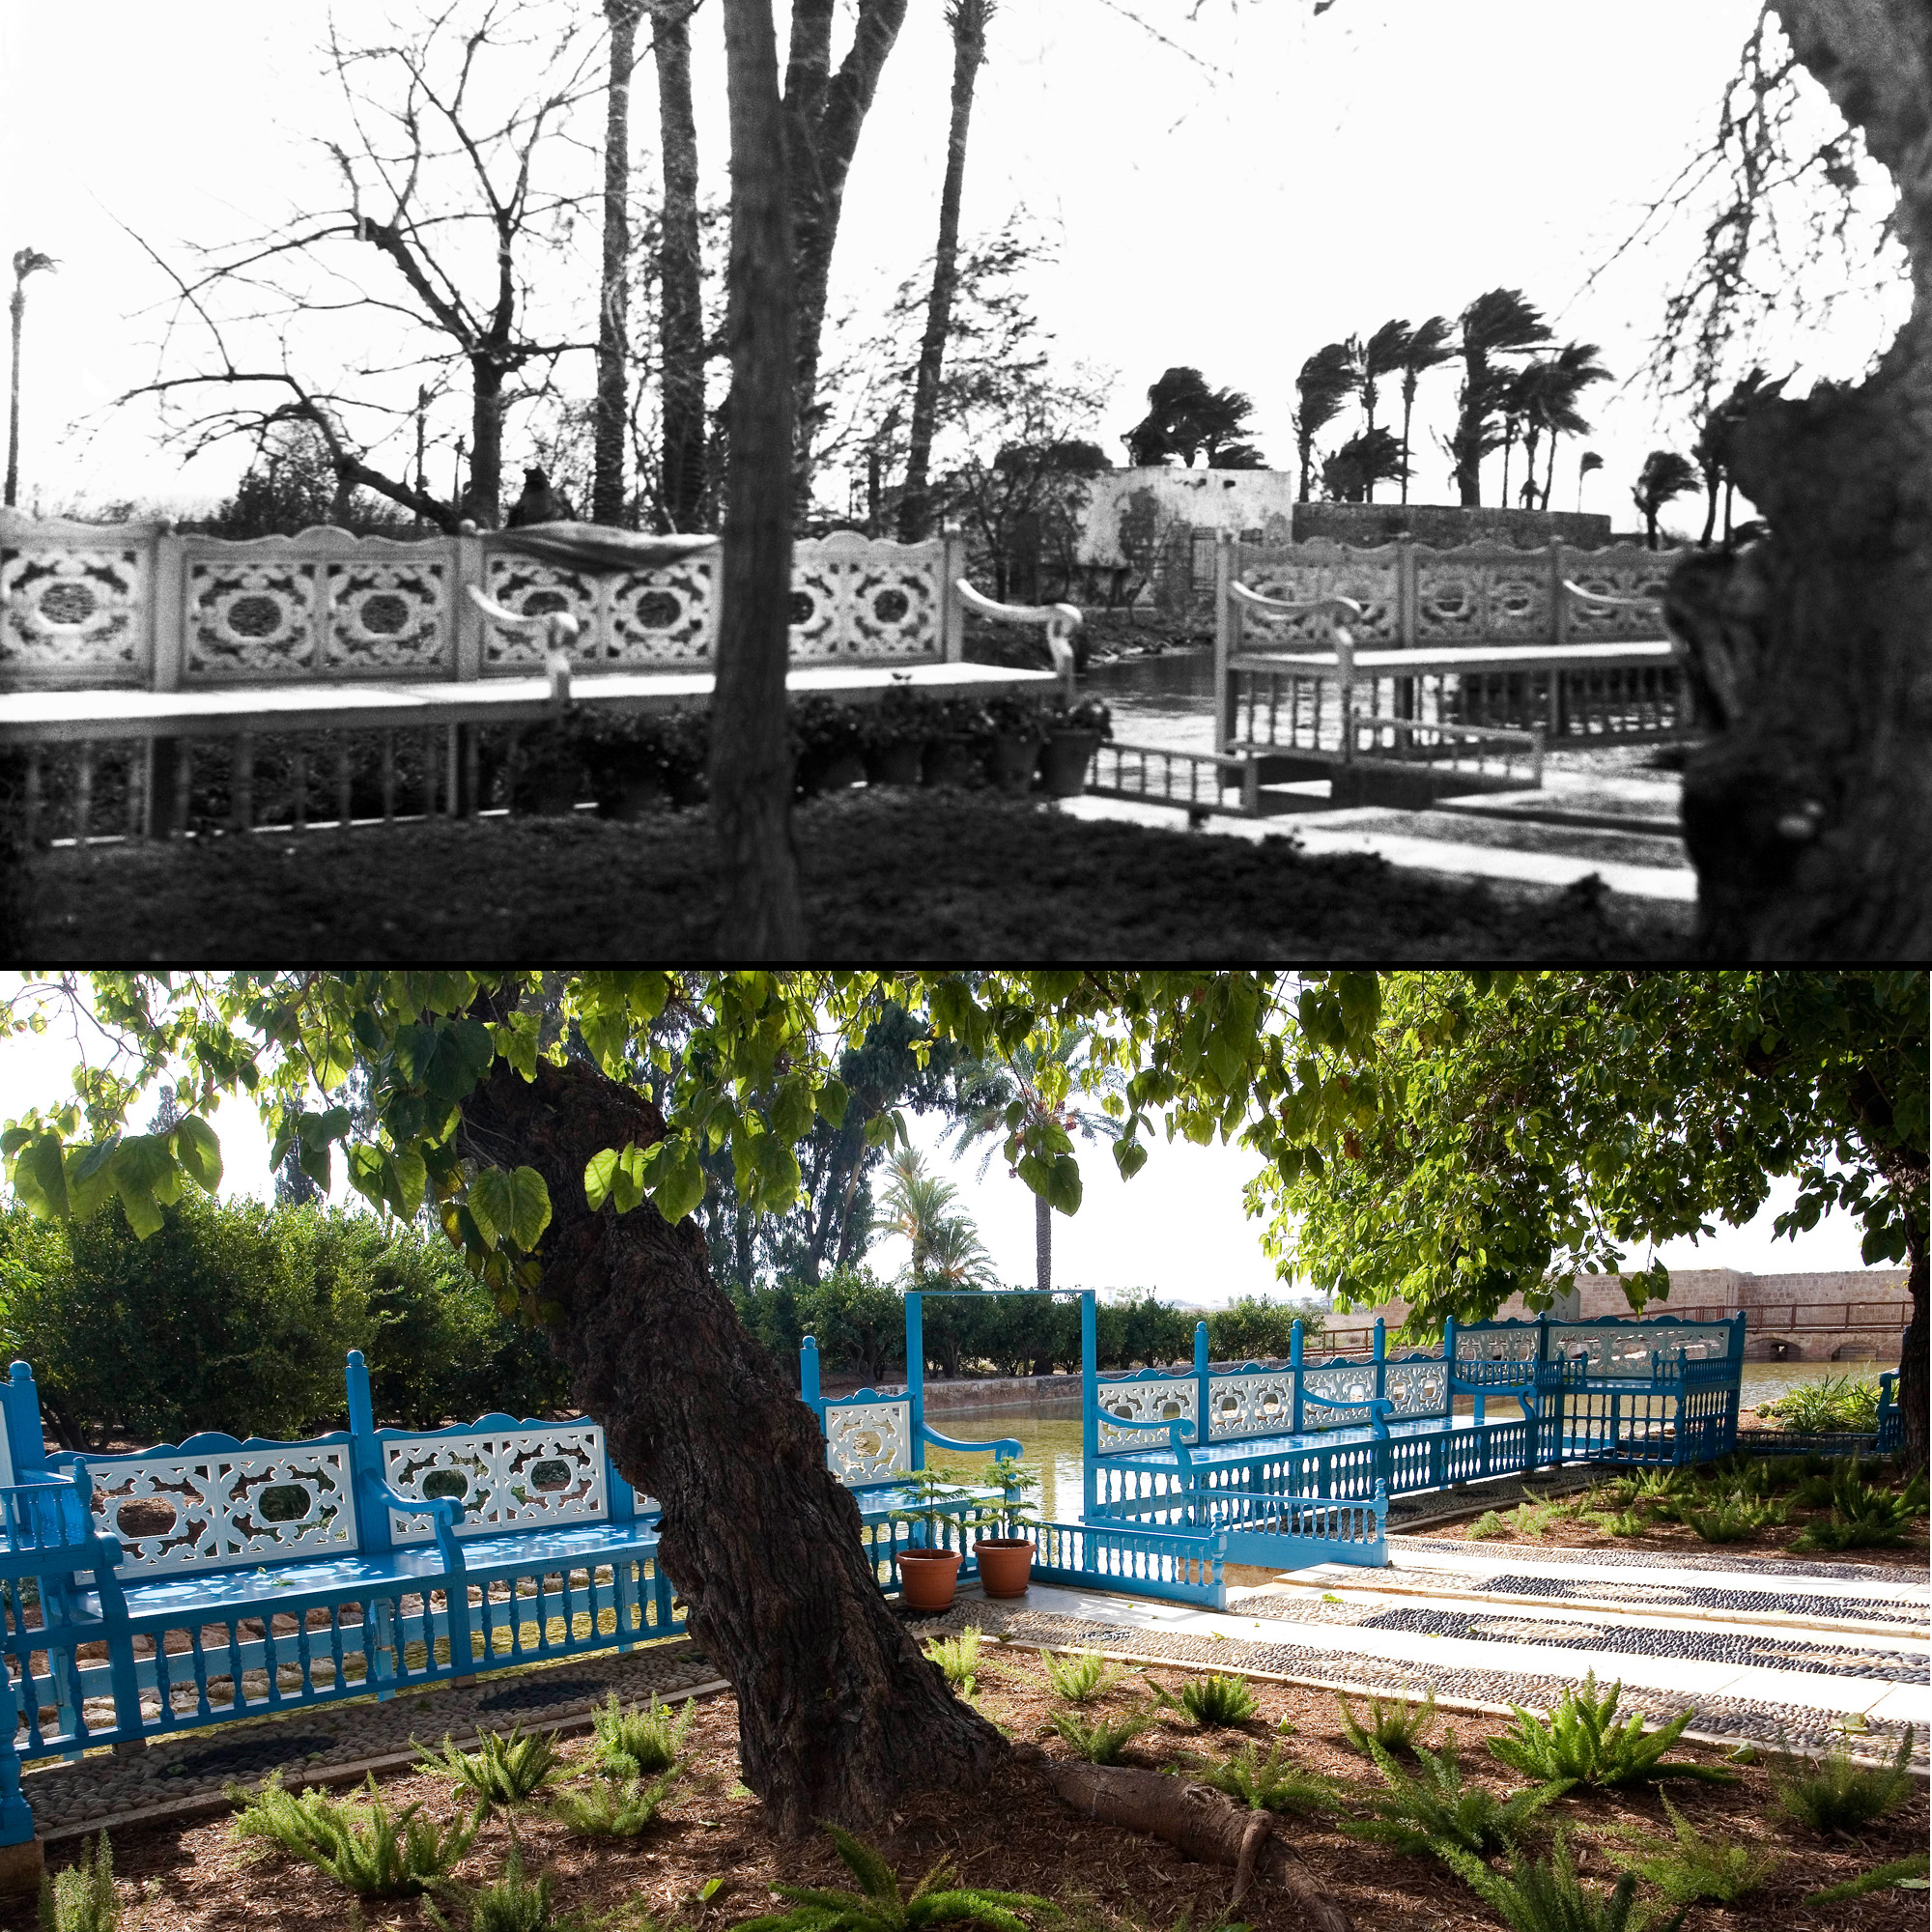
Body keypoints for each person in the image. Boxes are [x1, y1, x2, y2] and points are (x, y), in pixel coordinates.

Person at [504, 466, 577, 526]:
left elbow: (576, 528)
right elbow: (508, 534)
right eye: (531, 487)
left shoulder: (561, 503)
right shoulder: (519, 509)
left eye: (536, 487)